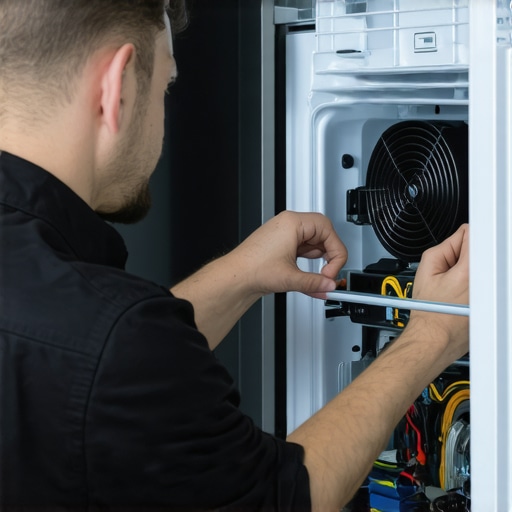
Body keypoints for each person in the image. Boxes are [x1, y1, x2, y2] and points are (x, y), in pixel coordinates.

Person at [0, 1, 469, 511]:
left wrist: (241, 274)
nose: (163, 113)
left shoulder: (74, 315)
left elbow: (78, 368)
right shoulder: (115, 339)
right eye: (166, 85)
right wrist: (432, 334)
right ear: (118, 87)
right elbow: (284, 499)